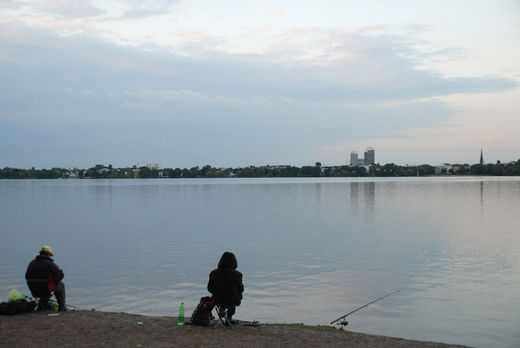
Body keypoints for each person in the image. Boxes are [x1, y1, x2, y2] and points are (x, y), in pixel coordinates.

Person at [25, 245, 67, 311]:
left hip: (34, 290)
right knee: (61, 285)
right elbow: (60, 276)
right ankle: (62, 307)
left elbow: (26, 276)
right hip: (46, 289)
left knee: (45, 286)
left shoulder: (32, 263)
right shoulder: (50, 264)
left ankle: (41, 307)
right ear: (48, 255)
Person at [207, 251, 244, 324]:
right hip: (232, 300)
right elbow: (241, 289)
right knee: (236, 294)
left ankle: (222, 310)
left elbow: (209, 289)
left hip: (217, 299)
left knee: (220, 295)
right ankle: (229, 317)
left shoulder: (213, 273)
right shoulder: (238, 274)